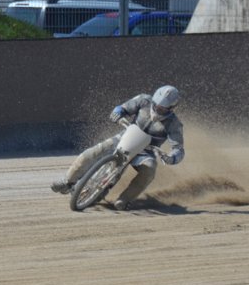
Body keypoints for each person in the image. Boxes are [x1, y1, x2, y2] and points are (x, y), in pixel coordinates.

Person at [50, 85, 185, 210]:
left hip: (146, 151)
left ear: (171, 108)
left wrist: (172, 157)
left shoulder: (174, 124)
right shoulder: (143, 100)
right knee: (93, 152)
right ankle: (67, 181)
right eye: (156, 105)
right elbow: (123, 108)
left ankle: (124, 199)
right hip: (125, 137)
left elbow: (178, 148)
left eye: (162, 108)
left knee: (150, 169)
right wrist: (117, 113)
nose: (157, 109)